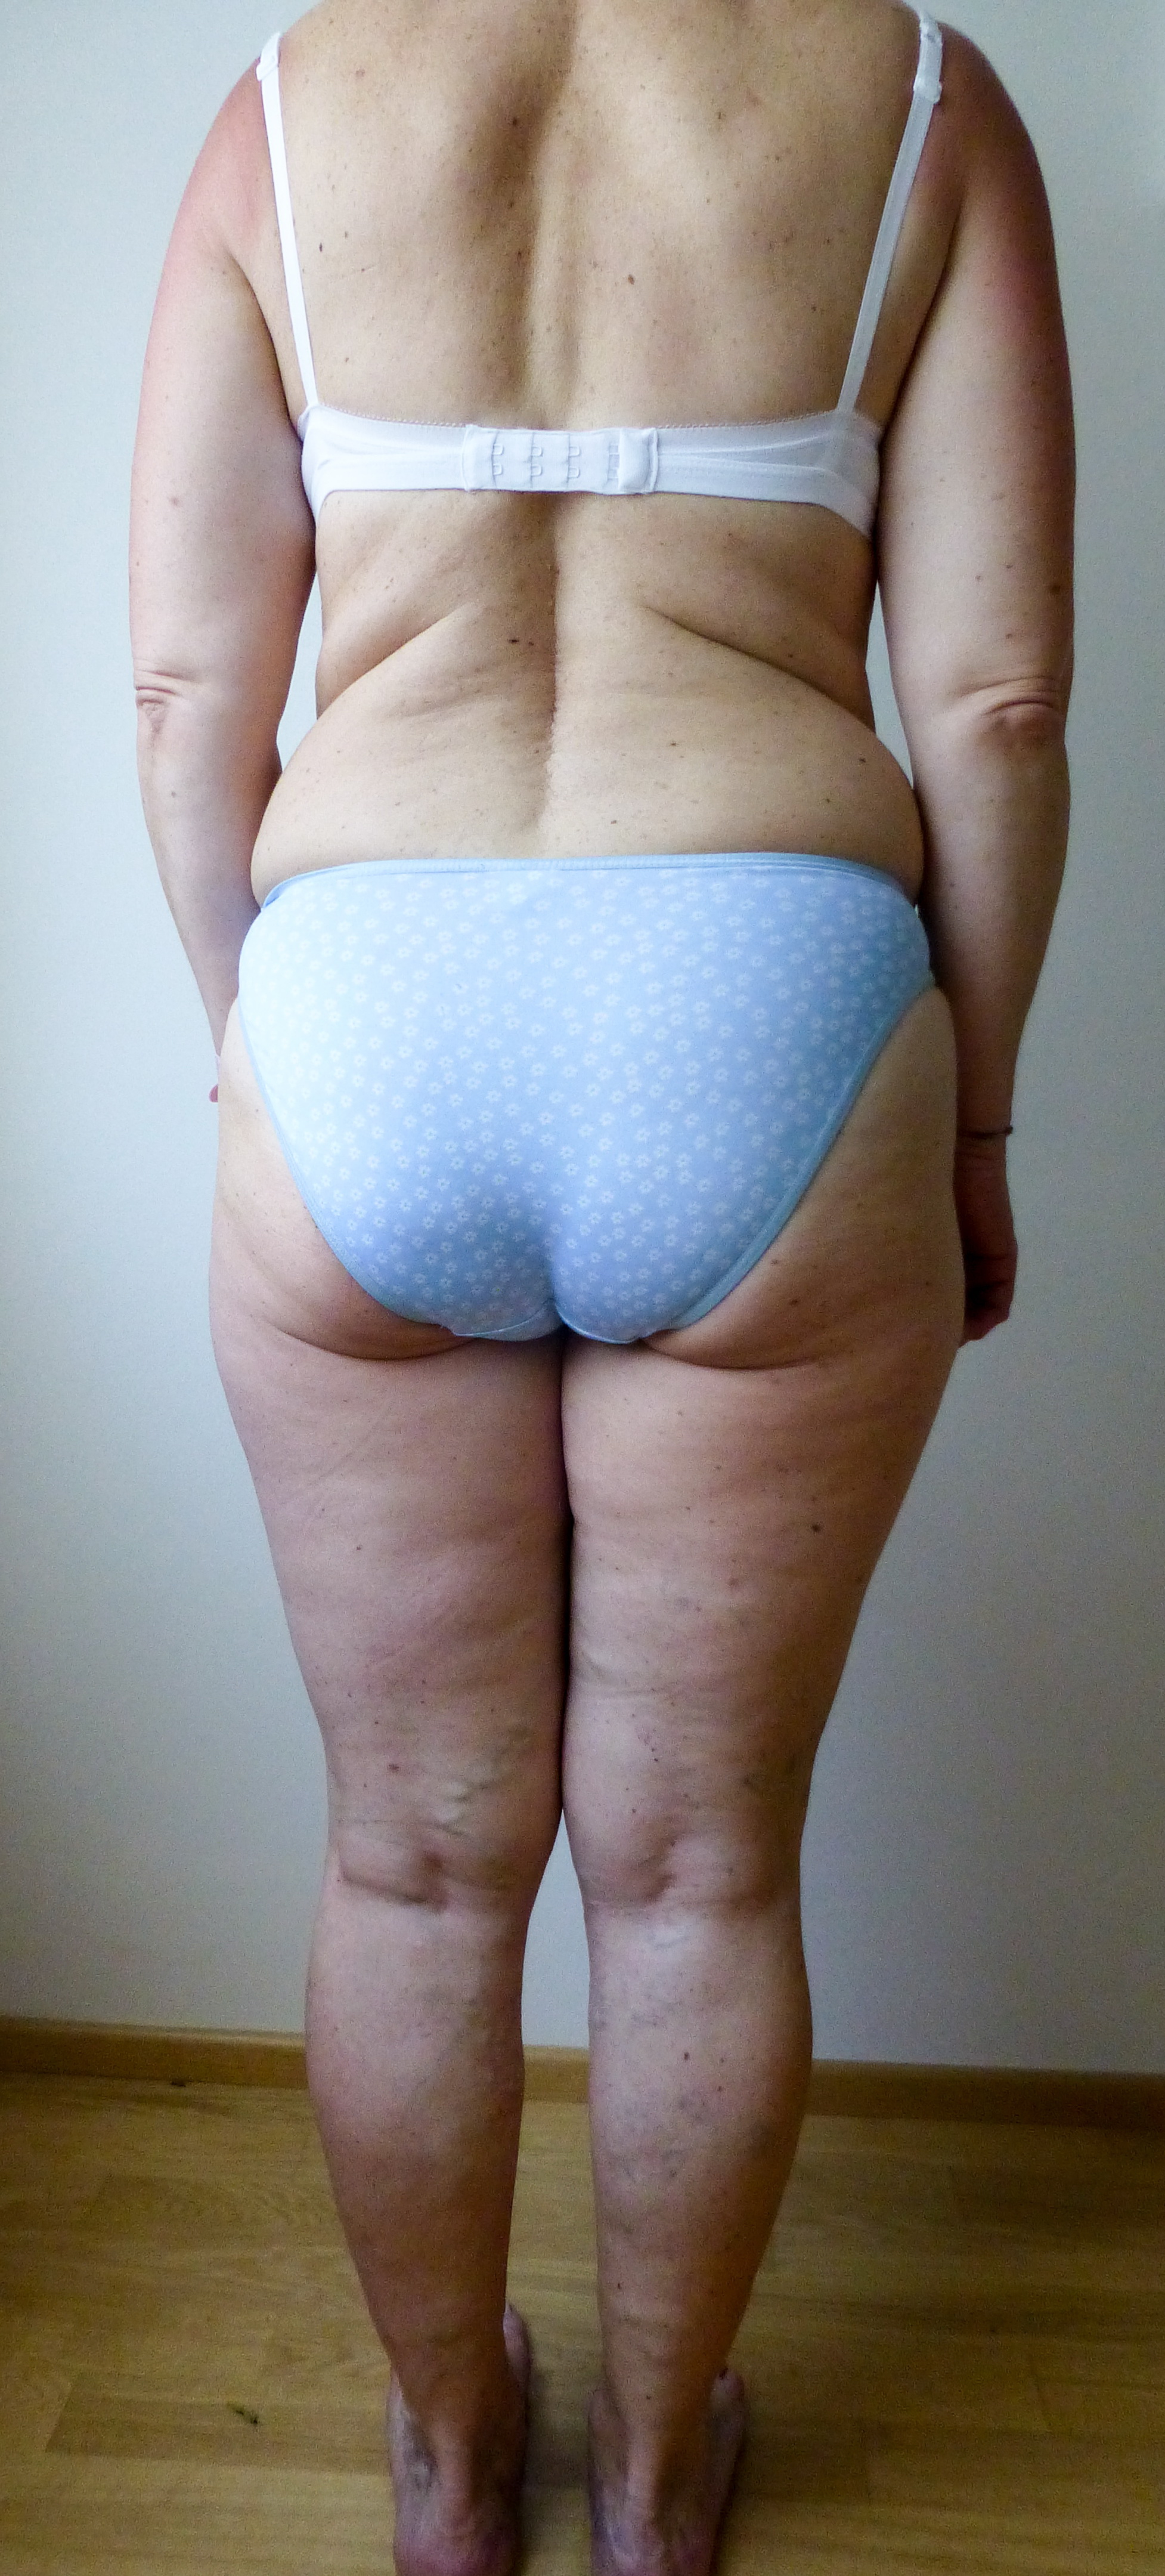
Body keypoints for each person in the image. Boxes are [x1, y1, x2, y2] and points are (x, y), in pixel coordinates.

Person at [130, 0, 1073, 2568]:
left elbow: (193, 689)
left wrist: (264, 1053)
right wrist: (973, 1119)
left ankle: (453, 2474)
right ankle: (657, 2492)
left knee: (412, 1860)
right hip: (767, 982)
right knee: (697, 1871)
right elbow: (991, 708)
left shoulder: (285, 105)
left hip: (368, 989)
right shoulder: (918, 95)